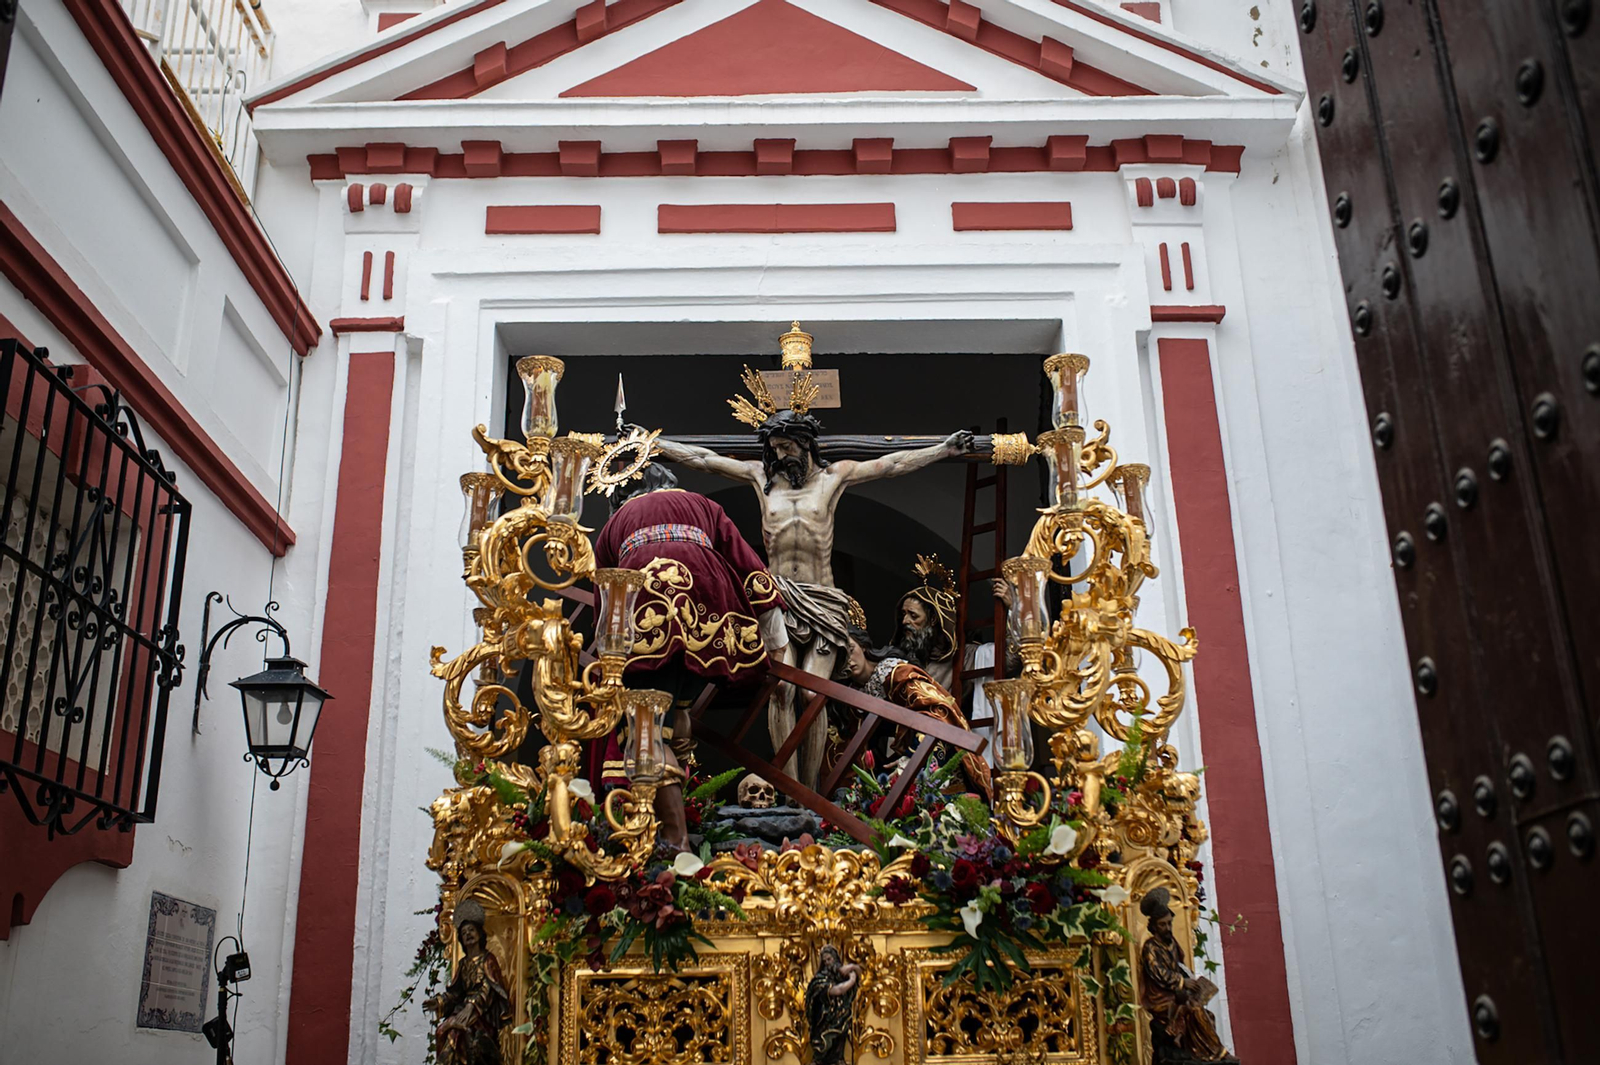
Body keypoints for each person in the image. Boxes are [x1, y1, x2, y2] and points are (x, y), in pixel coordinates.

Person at [656, 389, 973, 789]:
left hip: (823, 600)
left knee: (813, 694)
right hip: (777, 597)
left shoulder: (833, 478)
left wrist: (942, 450)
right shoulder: (761, 479)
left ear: (805, 443)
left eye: (787, 445)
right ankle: (788, 788)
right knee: (782, 690)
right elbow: (705, 459)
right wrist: (655, 443)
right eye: (775, 447)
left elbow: (891, 464)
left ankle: (809, 789)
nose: (780, 454)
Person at [591, 463, 787, 850]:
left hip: (645, 612)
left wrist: (606, 658)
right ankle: (682, 812)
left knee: (645, 723)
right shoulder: (702, 504)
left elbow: (604, 592)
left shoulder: (616, 522)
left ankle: (674, 838)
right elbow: (746, 562)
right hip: (708, 609)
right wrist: (773, 633)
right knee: (678, 706)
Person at [836, 624, 993, 803]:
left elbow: (936, 712)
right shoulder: (852, 696)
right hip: (893, 766)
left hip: (932, 749)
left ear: (862, 646)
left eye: (850, 649)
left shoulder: (898, 674)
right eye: (841, 656)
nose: (848, 660)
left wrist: (912, 757)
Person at [1138, 887, 1235, 1064]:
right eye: (1162, 924)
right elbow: (1158, 972)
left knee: (1207, 1015)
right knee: (1195, 1010)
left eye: (1169, 923)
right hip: (1160, 998)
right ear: (1153, 926)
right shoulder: (1150, 948)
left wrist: (1193, 982)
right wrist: (1183, 982)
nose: (1167, 928)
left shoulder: (1171, 943)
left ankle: (1203, 1053)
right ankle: (1218, 1054)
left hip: (1176, 994)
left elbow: (1179, 964)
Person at [426, 899, 512, 1065]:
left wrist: (472, 1006)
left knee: (456, 1034)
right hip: (463, 1010)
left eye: (471, 930)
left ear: (479, 934)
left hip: (482, 1014)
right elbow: (455, 993)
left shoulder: (487, 960)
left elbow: (490, 987)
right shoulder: (464, 963)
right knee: (440, 1031)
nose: (468, 934)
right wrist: (438, 1001)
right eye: (464, 932)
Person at [805, 944, 861, 1065]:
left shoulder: (838, 975)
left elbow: (859, 975)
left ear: (835, 958)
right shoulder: (819, 981)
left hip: (841, 1019)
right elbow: (837, 991)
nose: (827, 963)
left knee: (837, 1050)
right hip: (824, 1023)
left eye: (829, 959)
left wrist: (852, 967)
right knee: (824, 1049)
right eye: (824, 961)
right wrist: (851, 980)